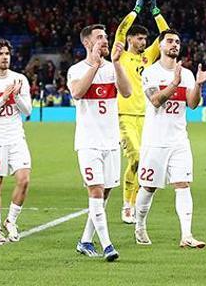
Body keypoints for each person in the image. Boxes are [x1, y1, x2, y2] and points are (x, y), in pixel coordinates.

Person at [134, 29, 206, 249]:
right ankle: (139, 226)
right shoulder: (149, 72)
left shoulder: (186, 74)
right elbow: (156, 100)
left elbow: (193, 104)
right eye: (169, 41)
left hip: (179, 140)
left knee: (183, 184)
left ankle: (186, 234)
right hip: (154, 141)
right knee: (149, 187)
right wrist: (174, 83)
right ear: (159, 46)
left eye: (177, 41)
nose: (174, 44)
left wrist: (197, 84)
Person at [68, 24, 131, 262]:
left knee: (104, 192)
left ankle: (85, 240)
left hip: (110, 141)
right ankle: (107, 245)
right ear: (87, 43)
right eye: (99, 37)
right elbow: (77, 92)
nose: (105, 40)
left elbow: (126, 92)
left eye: (106, 36)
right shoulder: (76, 69)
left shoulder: (113, 68)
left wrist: (116, 63)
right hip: (88, 142)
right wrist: (94, 65)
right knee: (95, 190)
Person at [114, 0, 169, 223]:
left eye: (145, 38)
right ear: (129, 40)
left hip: (147, 117)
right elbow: (120, 30)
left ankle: (134, 204)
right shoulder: (121, 55)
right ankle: (127, 205)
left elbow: (167, 35)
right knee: (136, 158)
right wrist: (136, 10)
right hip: (124, 116)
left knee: (144, 161)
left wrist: (156, 12)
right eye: (139, 37)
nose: (143, 41)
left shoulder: (148, 56)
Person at [0, 39, 33, 243]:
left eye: (7, 54)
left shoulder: (19, 79)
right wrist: (3, 97)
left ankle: (10, 220)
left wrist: (16, 96)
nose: (5, 57)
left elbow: (27, 111)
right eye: (0, 54)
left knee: (24, 179)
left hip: (16, 137)